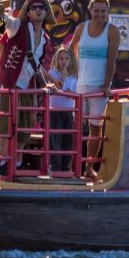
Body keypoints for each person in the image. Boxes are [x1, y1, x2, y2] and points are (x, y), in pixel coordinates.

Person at [0, 0, 50, 134]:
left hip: (27, 88)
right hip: (11, 85)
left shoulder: (45, 39)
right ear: (29, 12)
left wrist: (45, 83)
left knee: (23, 134)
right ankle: (5, 158)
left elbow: (36, 66)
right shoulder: (18, 26)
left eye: (41, 7)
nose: (38, 10)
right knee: (6, 130)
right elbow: (2, 18)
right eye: (34, 7)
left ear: (46, 12)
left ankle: (18, 157)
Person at [70, 0, 121, 123]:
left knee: (95, 126)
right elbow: (72, 49)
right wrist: (75, 72)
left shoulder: (113, 31)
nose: (100, 14)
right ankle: (77, 144)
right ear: (90, 10)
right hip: (81, 84)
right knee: (77, 124)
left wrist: (106, 85)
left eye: (103, 11)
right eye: (96, 10)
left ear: (108, 11)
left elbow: (112, 60)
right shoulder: (81, 28)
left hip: (99, 86)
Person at [43, 47, 79, 177]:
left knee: (67, 139)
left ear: (71, 61)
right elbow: (58, 88)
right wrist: (62, 79)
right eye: (61, 58)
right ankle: (56, 167)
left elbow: (72, 93)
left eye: (67, 59)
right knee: (55, 139)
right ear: (57, 60)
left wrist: (66, 81)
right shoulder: (52, 72)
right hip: (55, 110)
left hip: (68, 111)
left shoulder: (73, 76)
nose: (64, 61)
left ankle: (65, 167)